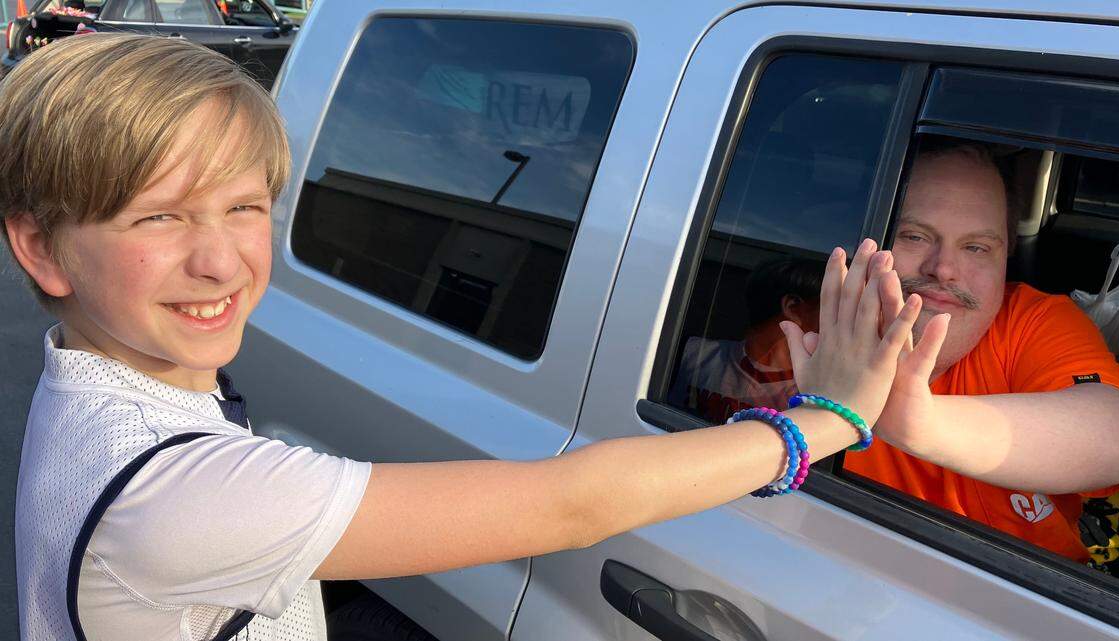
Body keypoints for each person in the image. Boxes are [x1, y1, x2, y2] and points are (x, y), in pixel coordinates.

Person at [0, 35, 945, 641]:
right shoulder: (176, 498)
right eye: (157, 219)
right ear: (40, 247)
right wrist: (829, 417)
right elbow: (568, 503)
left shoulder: (92, 383)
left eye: (246, 206)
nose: (221, 262)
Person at [844, 140, 1119, 563]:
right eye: (914, 236)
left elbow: (1118, 439)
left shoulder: (1030, 320)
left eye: (976, 247)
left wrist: (917, 422)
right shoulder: (808, 335)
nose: (943, 269)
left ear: (1006, 258)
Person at [669, 256, 824, 422]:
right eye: (829, 305)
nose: (838, 319)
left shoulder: (817, 393)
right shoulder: (688, 353)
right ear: (792, 307)